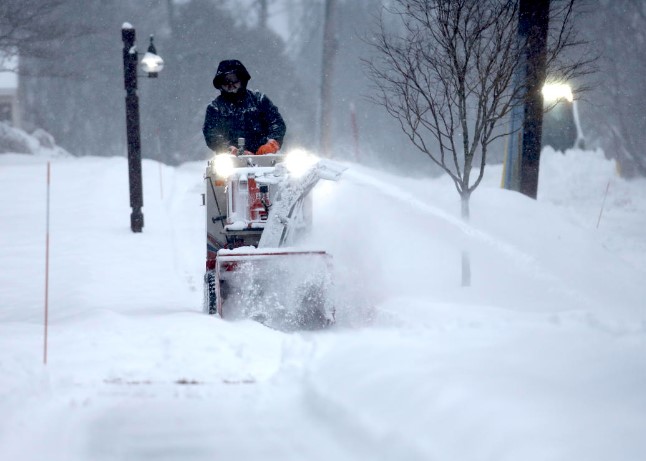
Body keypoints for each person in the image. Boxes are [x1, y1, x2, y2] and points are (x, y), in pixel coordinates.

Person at [202, 59, 286, 155]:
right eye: (226, 81)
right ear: (220, 84)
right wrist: (227, 149)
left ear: (242, 80)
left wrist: (271, 143)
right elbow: (211, 134)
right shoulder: (215, 108)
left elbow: (276, 123)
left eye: (234, 80)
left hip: (265, 157)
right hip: (230, 162)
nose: (230, 85)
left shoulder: (259, 100)